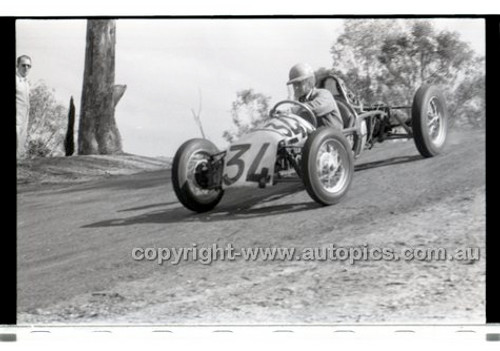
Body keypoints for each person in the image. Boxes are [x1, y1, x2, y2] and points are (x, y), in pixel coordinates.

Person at [286, 63, 343, 130]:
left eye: (299, 83)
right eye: (294, 85)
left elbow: (318, 107)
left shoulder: (324, 93)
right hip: (316, 138)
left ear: (309, 82)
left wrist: (291, 111)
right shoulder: (301, 101)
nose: (296, 88)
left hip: (333, 138)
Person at [16, 55, 32, 159]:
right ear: (17, 65)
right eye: (23, 65)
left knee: (20, 149)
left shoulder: (26, 82)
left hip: (23, 119)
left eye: (28, 66)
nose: (26, 68)